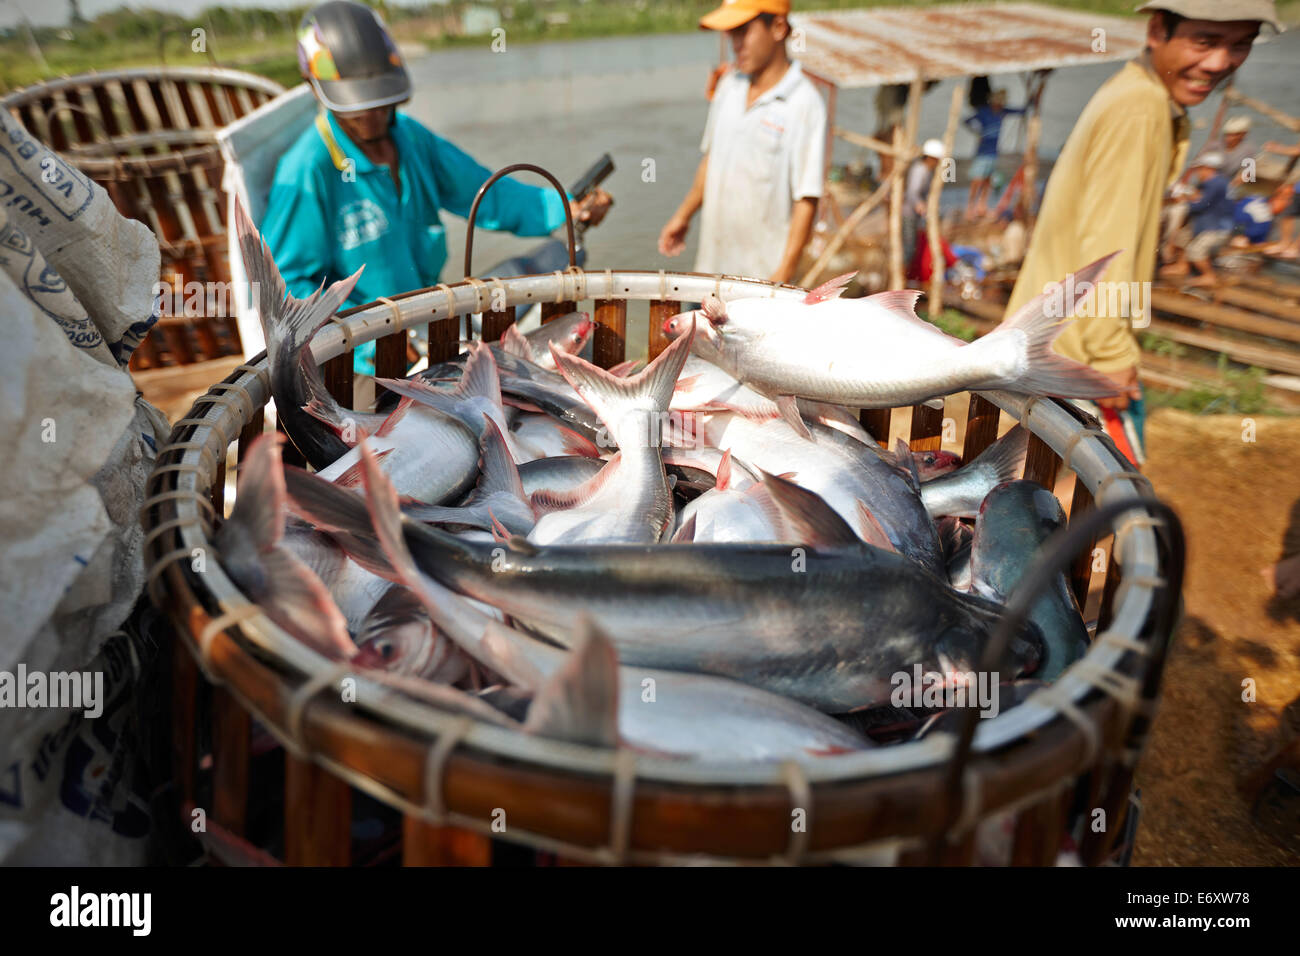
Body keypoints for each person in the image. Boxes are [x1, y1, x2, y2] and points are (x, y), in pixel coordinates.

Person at [1000, 0, 1278, 467]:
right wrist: (1111, 351)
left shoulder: (1139, 94)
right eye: (1205, 41)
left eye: (1240, 44)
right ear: (1156, 30)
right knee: (1112, 515)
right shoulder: (1140, 108)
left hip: (1051, 343)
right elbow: (1109, 243)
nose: (1219, 62)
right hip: (1076, 357)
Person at [262, 1, 609, 373]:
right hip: (357, 358)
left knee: (557, 275)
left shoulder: (410, 139)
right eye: (357, 107)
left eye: (382, 102)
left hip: (426, 317)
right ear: (314, 89)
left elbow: (486, 193)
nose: (374, 116)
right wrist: (363, 334)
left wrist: (565, 205)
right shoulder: (306, 170)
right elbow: (285, 286)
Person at [658, 0, 826, 284]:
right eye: (731, 33)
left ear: (778, 27)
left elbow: (806, 198)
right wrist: (684, 215)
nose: (736, 44)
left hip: (760, 281)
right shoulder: (729, 85)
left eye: (743, 31)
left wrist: (784, 273)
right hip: (708, 273)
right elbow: (712, 159)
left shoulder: (804, 103)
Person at [1161, 152, 1233, 283]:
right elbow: (1199, 198)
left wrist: (1184, 200)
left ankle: (1209, 275)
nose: (1197, 173)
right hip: (1204, 222)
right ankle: (1182, 266)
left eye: (1199, 169)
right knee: (1182, 237)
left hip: (1216, 228)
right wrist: (1189, 197)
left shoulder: (1215, 184)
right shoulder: (1211, 182)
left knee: (1195, 251)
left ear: (1208, 168)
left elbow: (1200, 205)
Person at [963, 89, 1026, 221]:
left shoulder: (1003, 112)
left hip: (993, 152)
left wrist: (1032, 100)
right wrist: (978, 132)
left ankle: (982, 206)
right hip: (982, 152)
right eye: (998, 102)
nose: (1000, 105)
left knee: (988, 180)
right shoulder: (984, 111)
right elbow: (966, 121)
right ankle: (970, 208)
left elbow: (1021, 111)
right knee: (977, 180)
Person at [902, 139, 945, 267]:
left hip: (913, 214)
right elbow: (912, 192)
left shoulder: (926, 170)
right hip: (908, 213)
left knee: (912, 245)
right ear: (930, 158)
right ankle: (904, 273)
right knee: (908, 247)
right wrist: (921, 206)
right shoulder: (919, 170)